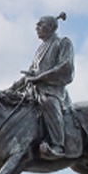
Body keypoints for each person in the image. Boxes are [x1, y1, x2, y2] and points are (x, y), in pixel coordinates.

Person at [12, 12, 73, 160]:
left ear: (51, 26)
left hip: (53, 92)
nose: (37, 27)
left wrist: (40, 78)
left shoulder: (63, 43)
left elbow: (65, 67)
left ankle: (57, 144)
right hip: (34, 91)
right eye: (36, 25)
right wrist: (11, 89)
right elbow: (30, 73)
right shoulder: (40, 49)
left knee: (48, 103)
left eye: (40, 24)